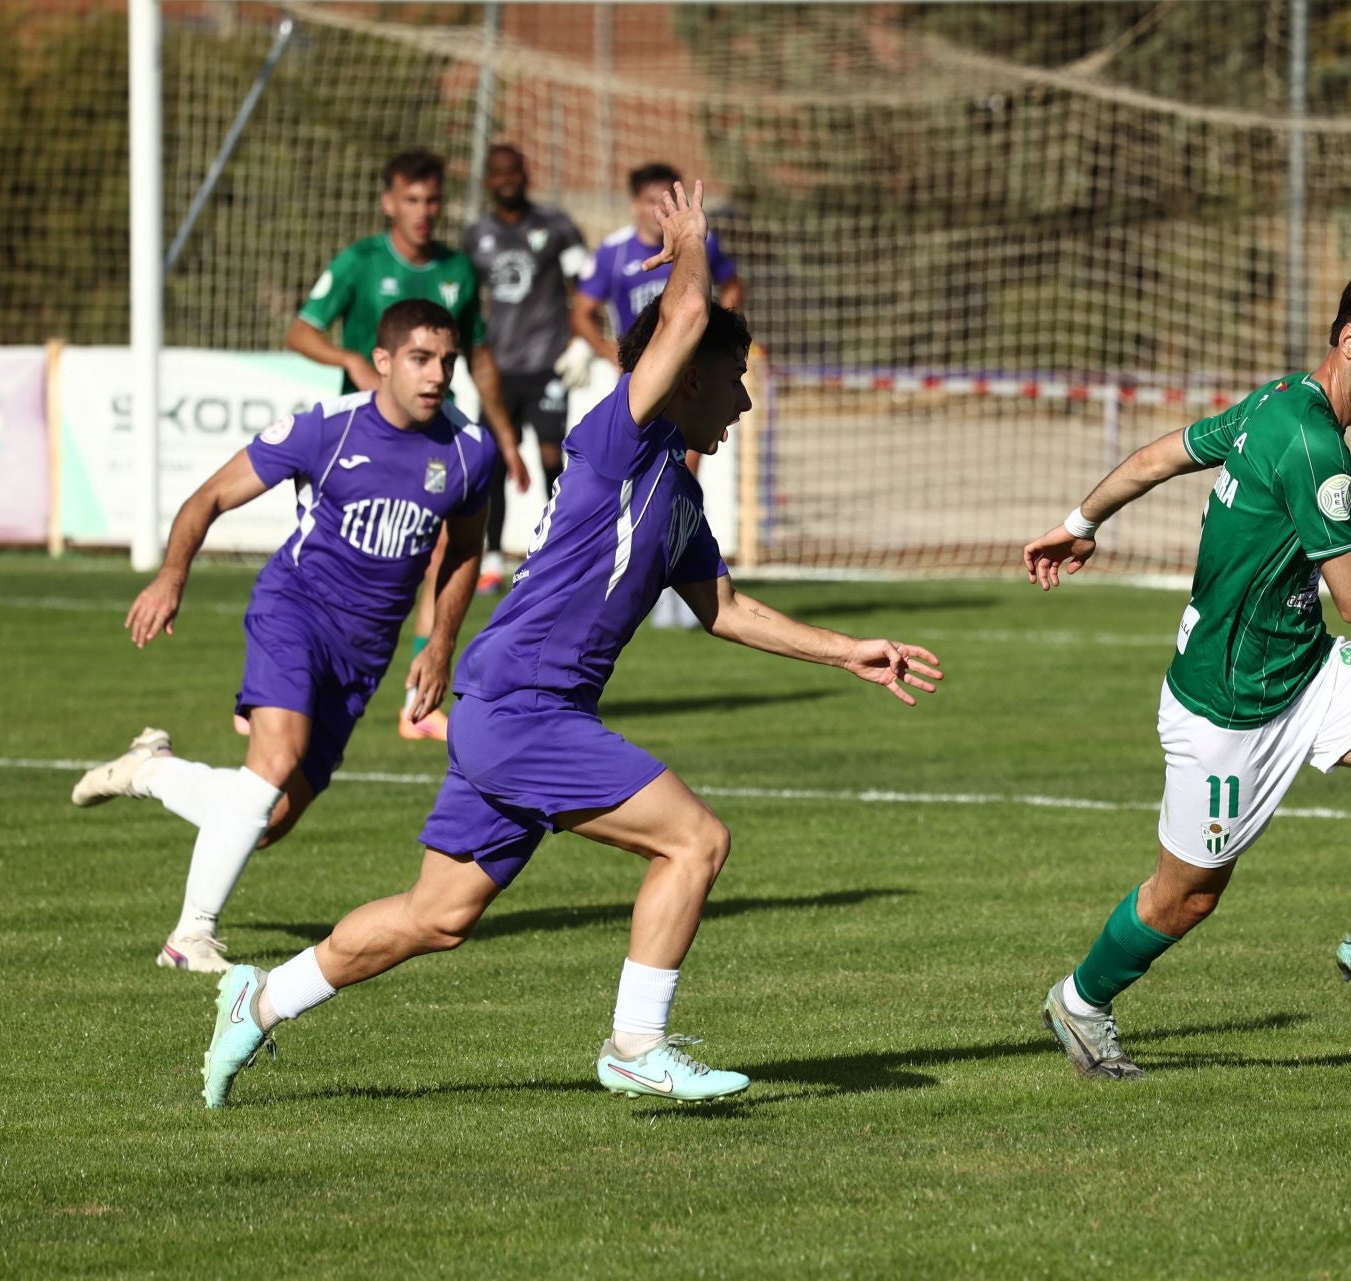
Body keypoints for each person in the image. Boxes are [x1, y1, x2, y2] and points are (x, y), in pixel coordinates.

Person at [199, 182, 942, 1109]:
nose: (747, 398)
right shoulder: (618, 439)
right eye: (736, 374)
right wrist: (695, 245)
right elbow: (682, 316)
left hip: (509, 709)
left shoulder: (676, 492)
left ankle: (259, 1000)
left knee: (436, 917)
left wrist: (847, 651)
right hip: (522, 707)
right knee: (695, 842)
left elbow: (726, 608)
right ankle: (637, 1044)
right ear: (688, 376)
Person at [1022, 258, 1351, 1080]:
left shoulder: (1277, 401)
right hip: (1229, 707)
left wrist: (1081, 520)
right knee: (1184, 898)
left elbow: (1162, 456)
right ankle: (1080, 1002)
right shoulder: (1309, 439)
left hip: (1309, 670)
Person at [71, 300, 501, 974]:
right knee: (276, 758)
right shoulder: (324, 430)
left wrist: (439, 645)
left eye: (447, 360)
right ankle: (191, 935)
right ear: (383, 361)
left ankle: (149, 770)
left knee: (264, 821)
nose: (437, 374)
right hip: (293, 611)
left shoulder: (471, 451)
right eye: (421, 358)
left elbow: (466, 551)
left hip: (365, 654)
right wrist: (171, 576)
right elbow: (207, 498)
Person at [287, 147, 530, 740]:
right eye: (412, 200)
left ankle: (416, 700)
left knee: (447, 553)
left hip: (436, 440)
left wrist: (504, 434)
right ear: (389, 202)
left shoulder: (458, 270)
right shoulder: (360, 262)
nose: (424, 212)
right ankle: (287, 683)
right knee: (343, 565)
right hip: (363, 439)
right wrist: (349, 357)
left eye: (433, 200)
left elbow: (479, 357)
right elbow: (300, 329)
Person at [572, 161, 744, 631]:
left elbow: (728, 287)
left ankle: (676, 591)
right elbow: (583, 311)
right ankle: (635, 580)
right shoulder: (613, 254)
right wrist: (611, 353)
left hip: (688, 389)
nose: (657, 210)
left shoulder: (702, 255)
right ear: (634, 204)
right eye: (651, 200)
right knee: (641, 486)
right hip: (642, 391)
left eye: (667, 200)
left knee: (682, 480)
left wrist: (718, 342)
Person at [463, 143, 592, 596]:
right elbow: (466, 300)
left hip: (547, 363)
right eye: (497, 173)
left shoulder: (555, 228)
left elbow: (586, 287)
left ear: (525, 174)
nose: (506, 180)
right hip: (498, 368)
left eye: (513, 171)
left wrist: (582, 342)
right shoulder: (475, 236)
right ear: (488, 181)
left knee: (552, 459)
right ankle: (492, 559)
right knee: (493, 460)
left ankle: (554, 554)